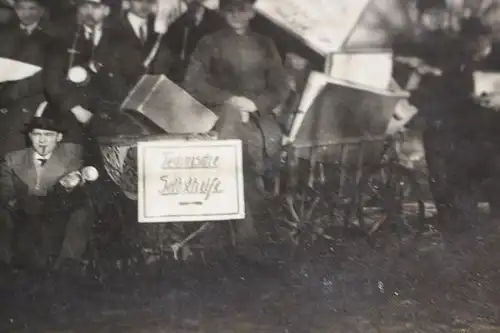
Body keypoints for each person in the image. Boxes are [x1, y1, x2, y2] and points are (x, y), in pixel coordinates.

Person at [183, 0, 289, 261]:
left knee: (265, 157)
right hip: (222, 114)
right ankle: (244, 237)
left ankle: (260, 227)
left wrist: (255, 104)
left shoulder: (266, 44)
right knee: (236, 161)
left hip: (259, 115)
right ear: (222, 13)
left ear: (252, 12)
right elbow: (193, 82)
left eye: (242, 9)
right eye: (230, 10)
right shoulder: (209, 42)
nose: (236, 16)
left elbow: (280, 86)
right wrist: (230, 99)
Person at [0, 104, 95, 272]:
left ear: (58, 137)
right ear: (30, 136)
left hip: (55, 211)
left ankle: (68, 263)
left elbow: (75, 186)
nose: (42, 140)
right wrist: (16, 203)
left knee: (83, 207)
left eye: (48, 135)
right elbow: (5, 191)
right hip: (22, 214)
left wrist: (70, 184)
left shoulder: (71, 157)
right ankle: (4, 264)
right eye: (37, 134)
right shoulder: (12, 159)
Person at [0, 0, 53, 156]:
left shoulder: (51, 37)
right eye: (21, 8)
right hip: (5, 95)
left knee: (12, 146)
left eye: (32, 8)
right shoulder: (5, 34)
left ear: (41, 11)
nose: (26, 12)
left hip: (29, 101)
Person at [111, 0, 178, 86]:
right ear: (127, 2)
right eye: (139, 0)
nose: (144, 5)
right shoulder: (114, 27)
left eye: (150, 1)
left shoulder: (159, 30)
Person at [166, 0, 224, 81]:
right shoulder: (176, 25)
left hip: (214, 79)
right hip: (187, 80)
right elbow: (174, 59)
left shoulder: (219, 22)